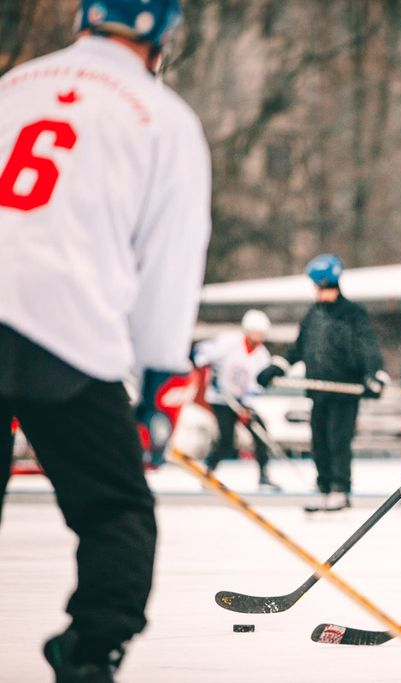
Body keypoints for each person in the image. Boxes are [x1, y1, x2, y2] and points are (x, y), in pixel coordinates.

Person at [0, 1, 210, 680]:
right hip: (64, 332)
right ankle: (90, 651)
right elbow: (169, 267)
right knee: (116, 510)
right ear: (163, 37)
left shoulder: (13, 86)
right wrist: (157, 382)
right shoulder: (164, 119)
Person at [258, 254, 387, 512]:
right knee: (320, 442)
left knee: (339, 441)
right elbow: (298, 348)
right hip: (319, 392)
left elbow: (368, 349)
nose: (316, 291)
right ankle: (324, 488)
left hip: (344, 392)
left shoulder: (352, 313)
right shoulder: (314, 314)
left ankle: (340, 490)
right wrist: (277, 366)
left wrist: (374, 376)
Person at [192, 310, 280, 490]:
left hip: (242, 402)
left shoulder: (262, 355)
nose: (258, 337)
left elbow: (257, 385)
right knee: (226, 440)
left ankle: (264, 475)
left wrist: (246, 405)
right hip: (221, 400)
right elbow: (201, 354)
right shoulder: (229, 342)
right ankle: (207, 472)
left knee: (260, 432)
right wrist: (204, 364)